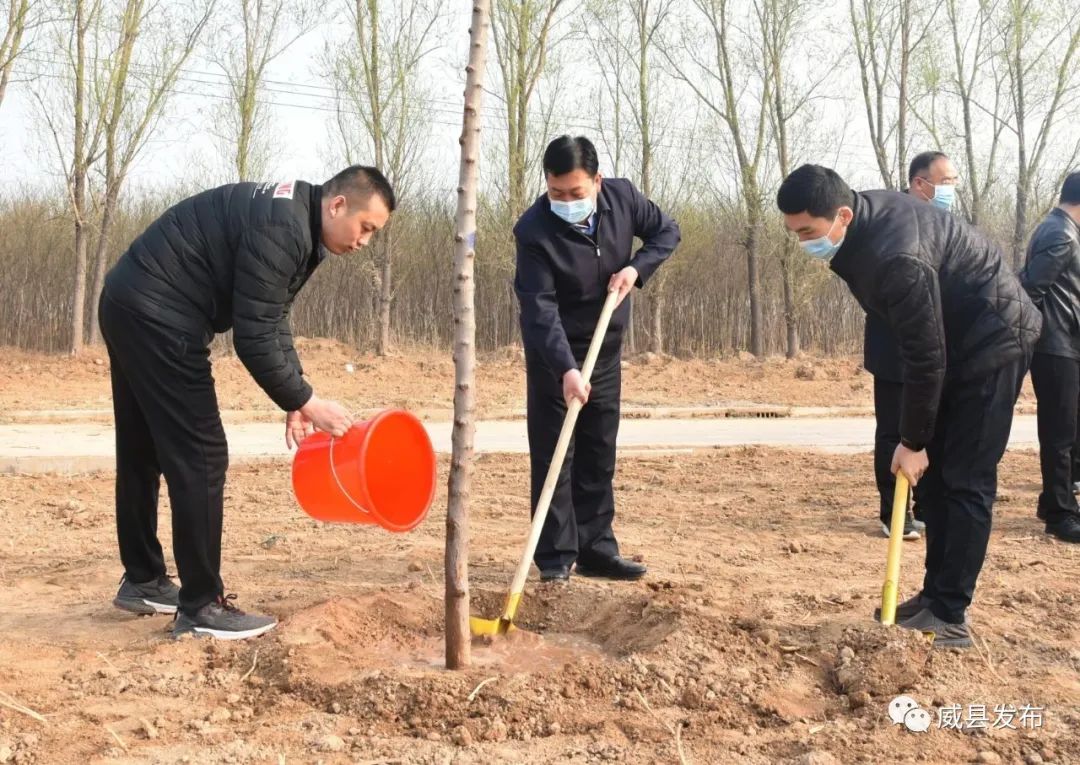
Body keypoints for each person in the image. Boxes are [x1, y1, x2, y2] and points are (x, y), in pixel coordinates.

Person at [100, 166, 394, 639]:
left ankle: (143, 579)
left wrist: (296, 393)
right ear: (338, 205)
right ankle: (200, 607)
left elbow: (271, 314)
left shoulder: (295, 219)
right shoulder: (285, 229)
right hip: (160, 315)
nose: (364, 242)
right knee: (202, 455)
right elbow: (253, 338)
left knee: (143, 447)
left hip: (127, 299)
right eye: (366, 228)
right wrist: (309, 401)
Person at [777, 164, 1041, 648]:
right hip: (956, 343)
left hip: (994, 340)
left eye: (808, 232)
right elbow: (918, 348)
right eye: (794, 233)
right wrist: (914, 437)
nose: (803, 244)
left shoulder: (895, 257)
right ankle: (933, 596)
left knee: (964, 479)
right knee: (936, 481)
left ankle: (950, 613)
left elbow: (926, 354)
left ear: (841, 214)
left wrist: (913, 440)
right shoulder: (863, 227)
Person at [513, 135, 680, 582]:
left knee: (598, 451)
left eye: (576, 192)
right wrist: (566, 368)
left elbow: (668, 232)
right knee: (555, 456)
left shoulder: (623, 199)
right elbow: (539, 308)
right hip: (556, 356)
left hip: (605, 348)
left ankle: (597, 550)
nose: (565, 201)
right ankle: (554, 560)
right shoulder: (533, 231)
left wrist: (636, 268)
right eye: (556, 193)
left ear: (598, 181)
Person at [867, 151, 961, 541]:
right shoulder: (895, 223)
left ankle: (925, 504)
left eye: (954, 182)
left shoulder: (944, 223)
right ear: (920, 183)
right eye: (945, 181)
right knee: (894, 430)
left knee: (929, 428)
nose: (951, 189)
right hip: (895, 347)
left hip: (933, 350)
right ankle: (894, 512)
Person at [1019, 171, 1080, 543]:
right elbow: (1031, 290)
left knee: (1070, 429)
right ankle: (1060, 515)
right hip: (1055, 346)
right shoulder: (1060, 233)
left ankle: (1053, 500)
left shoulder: (1064, 230)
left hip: (1065, 343)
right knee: (1059, 432)